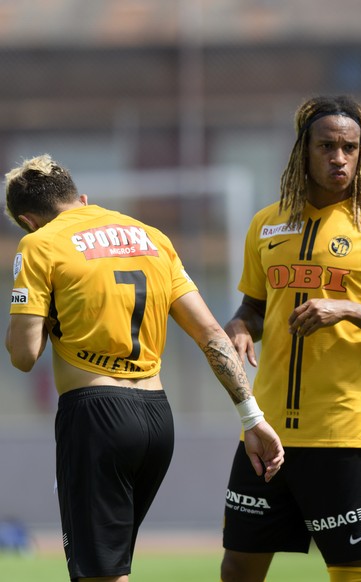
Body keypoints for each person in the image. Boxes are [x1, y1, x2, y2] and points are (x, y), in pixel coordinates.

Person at [4, 154, 284, 582]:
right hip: (156, 418)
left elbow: (23, 356)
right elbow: (211, 333)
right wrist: (252, 416)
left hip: (96, 415)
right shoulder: (152, 237)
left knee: (100, 574)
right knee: (108, 566)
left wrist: (44, 316)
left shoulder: (40, 244)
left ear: (27, 220)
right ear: (81, 198)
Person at [219, 95, 361, 582]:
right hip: (266, 431)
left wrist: (347, 309)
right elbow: (254, 306)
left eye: (349, 148)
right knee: (237, 567)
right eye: (327, 146)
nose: (339, 158)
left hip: (345, 432)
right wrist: (238, 327)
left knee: (349, 571)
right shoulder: (266, 224)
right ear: (303, 150)